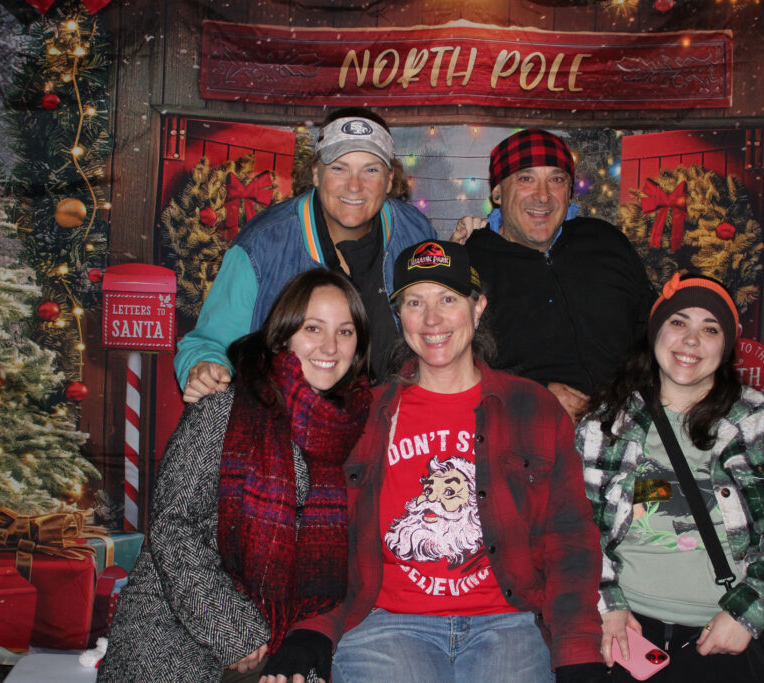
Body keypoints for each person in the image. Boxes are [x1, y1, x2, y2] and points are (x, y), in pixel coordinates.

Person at [258, 240, 605, 683]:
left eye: (448, 300)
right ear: (398, 316)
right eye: (415, 303)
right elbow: (327, 539)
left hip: (509, 623)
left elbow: (569, 538)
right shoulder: (361, 415)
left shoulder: (532, 408)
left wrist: (577, 650)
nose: (432, 320)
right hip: (387, 625)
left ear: (477, 308)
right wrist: (313, 629)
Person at [99, 270, 372, 682]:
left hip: (285, 641)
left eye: (345, 332)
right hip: (177, 631)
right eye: (313, 328)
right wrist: (234, 632)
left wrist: (300, 641)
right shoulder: (225, 408)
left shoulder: (354, 428)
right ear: (283, 336)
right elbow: (172, 525)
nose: (330, 347)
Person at [577, 273, 764, 682]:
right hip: (630, 629)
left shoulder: (761, 420)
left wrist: (748, 614)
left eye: (710, 329)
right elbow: (577, 529)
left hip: (733, 627)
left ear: (725, 347)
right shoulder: (605, 425)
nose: (691, 340)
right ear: (655, 333)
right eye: (678, 322)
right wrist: (607, 604)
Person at [175, 107, 436, 401]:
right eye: (339, 168)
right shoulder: (262, 245)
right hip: (290, 419)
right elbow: (209, 343)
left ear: (389, 180)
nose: (354, 185)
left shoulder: (414, 231)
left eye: (370, 170)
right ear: (316, 173)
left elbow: (440, 320)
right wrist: (205, 367)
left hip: (396, 418)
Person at [455, 128, 653, 423]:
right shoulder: (470, 262)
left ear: (570, 191)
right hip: (522, 429)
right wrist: (529, 394)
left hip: (629, 426)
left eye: (556, 180)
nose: (543, 196)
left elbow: (651, 329)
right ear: (497, 192)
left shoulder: (605, 242)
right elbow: (448, 365)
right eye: (526, 179)